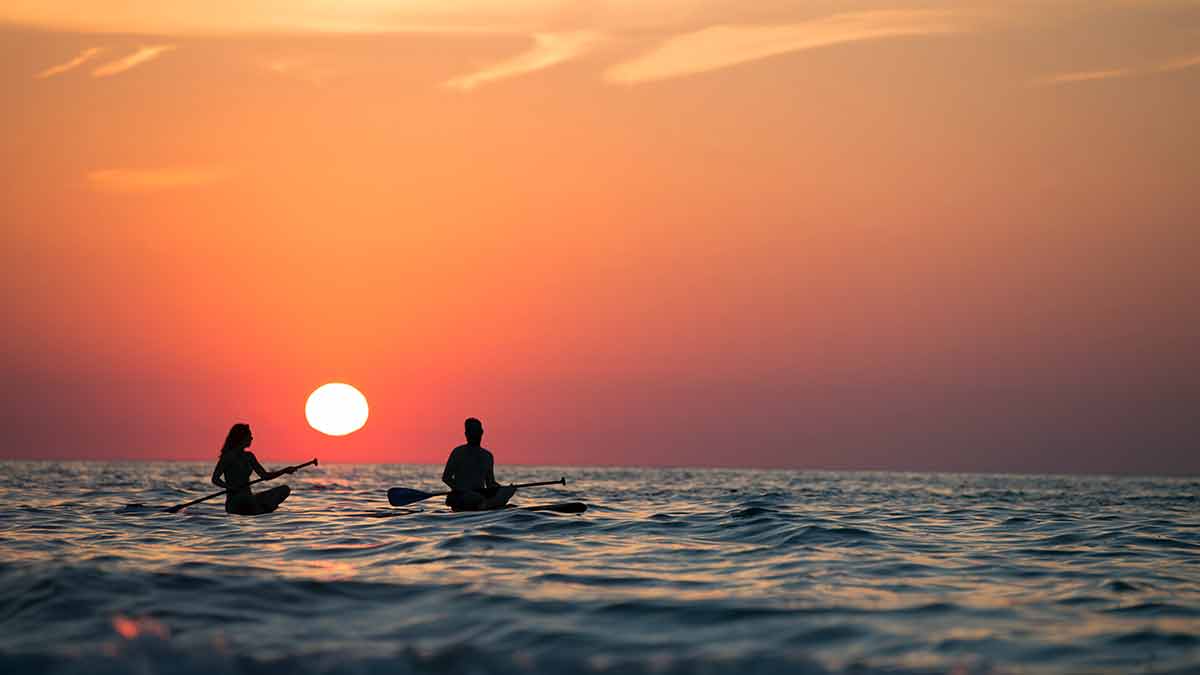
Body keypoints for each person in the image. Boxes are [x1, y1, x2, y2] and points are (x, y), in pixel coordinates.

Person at [210, 423, 294, 515]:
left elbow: (264, 476)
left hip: (249, 498)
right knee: (255, 505)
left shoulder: (249, 456)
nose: (251, 438)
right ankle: (262, 509)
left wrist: (284, 471)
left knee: (284, 490)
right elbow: (215, 479)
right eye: (249, 436)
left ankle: (262, 508)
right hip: (235, 502)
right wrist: (230, 487)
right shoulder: (228, 456)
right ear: (241, 437)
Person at [441, 418, 515, 511]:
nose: (474, 434)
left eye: (477, 431)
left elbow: (490, 483)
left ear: (481, 432)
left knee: (499, 495)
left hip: (480, 495)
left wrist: (502, 489)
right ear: (466, 434)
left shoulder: (487, 456)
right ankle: (485, 504)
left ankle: (486, 504)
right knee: (478, 500)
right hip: (462, 497)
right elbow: (446, 478)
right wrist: (462, 490)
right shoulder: (458, 452)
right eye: (471, 431)